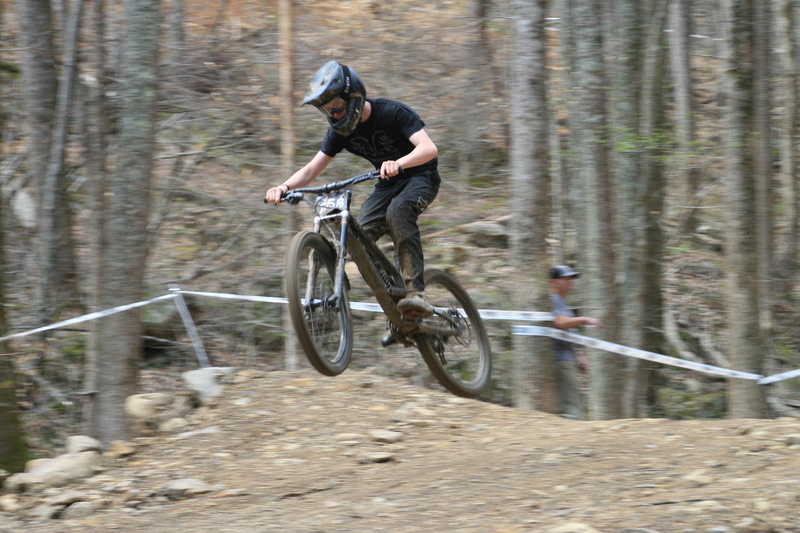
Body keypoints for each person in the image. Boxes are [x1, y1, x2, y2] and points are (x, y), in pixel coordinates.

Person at [264, 60, 440, 338]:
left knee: (399, 212)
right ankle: (399, 311)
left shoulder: (392, 112)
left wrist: (400, 162)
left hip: (421, 177)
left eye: (336, 106)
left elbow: (429, 149)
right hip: (386, 184)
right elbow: (312, 169)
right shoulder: (339, 132)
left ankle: (415, 293)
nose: (333, 114)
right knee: (358, 238)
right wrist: (283, 187)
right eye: (326, 109)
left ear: (353, 96)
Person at [548, 265, 602, 420]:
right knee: (572, 410)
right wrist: (584, 320)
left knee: (573, 404)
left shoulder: (562, 302)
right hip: (560, 358)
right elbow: (559, 322)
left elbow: (567, 330)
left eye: (571, 279)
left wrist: (578, 354)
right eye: (565, 279)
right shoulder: (552, 299)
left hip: (568, 357)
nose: (570, 282)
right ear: (552, 282)